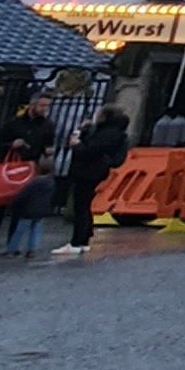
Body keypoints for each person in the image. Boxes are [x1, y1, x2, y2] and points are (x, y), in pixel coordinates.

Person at [57, 104, 132, 259]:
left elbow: (91, 151)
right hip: (95, 171)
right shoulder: (113, 131)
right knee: (85, 205)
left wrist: (77, 145)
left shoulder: (108, 133)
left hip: (88, 172)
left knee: (81, 206)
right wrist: (85, 132)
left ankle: (77, 242)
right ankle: (83, 240)